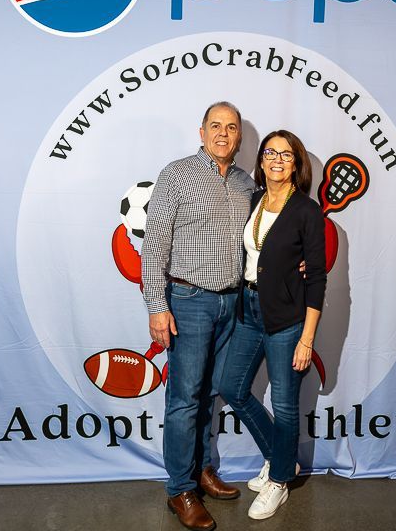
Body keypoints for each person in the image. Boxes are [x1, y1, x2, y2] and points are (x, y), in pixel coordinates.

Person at [141, 102, 254, 531]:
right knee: (185, 398)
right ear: (202, 131)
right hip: (189, 301)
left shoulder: (246, 183)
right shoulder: (177, 174)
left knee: (210, 393)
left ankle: (204, 470)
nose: (224, 134)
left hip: (233, 303)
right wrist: (157, 305)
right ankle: (179, 489)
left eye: (232, 127)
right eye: (216, 126)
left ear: (240, 135)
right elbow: (154, 247)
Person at [219, 130, 326, 520]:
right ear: (261, 161)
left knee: (283, 404)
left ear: (296, 164)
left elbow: (317, 278)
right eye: (270, 152)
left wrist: (307, 339)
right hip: (248, 309)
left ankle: (280, 480)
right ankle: (279, 458)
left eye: (285, 154)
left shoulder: (307, 211)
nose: (276, 159)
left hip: (287, 320)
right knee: (231, 387)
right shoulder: (254, 200)